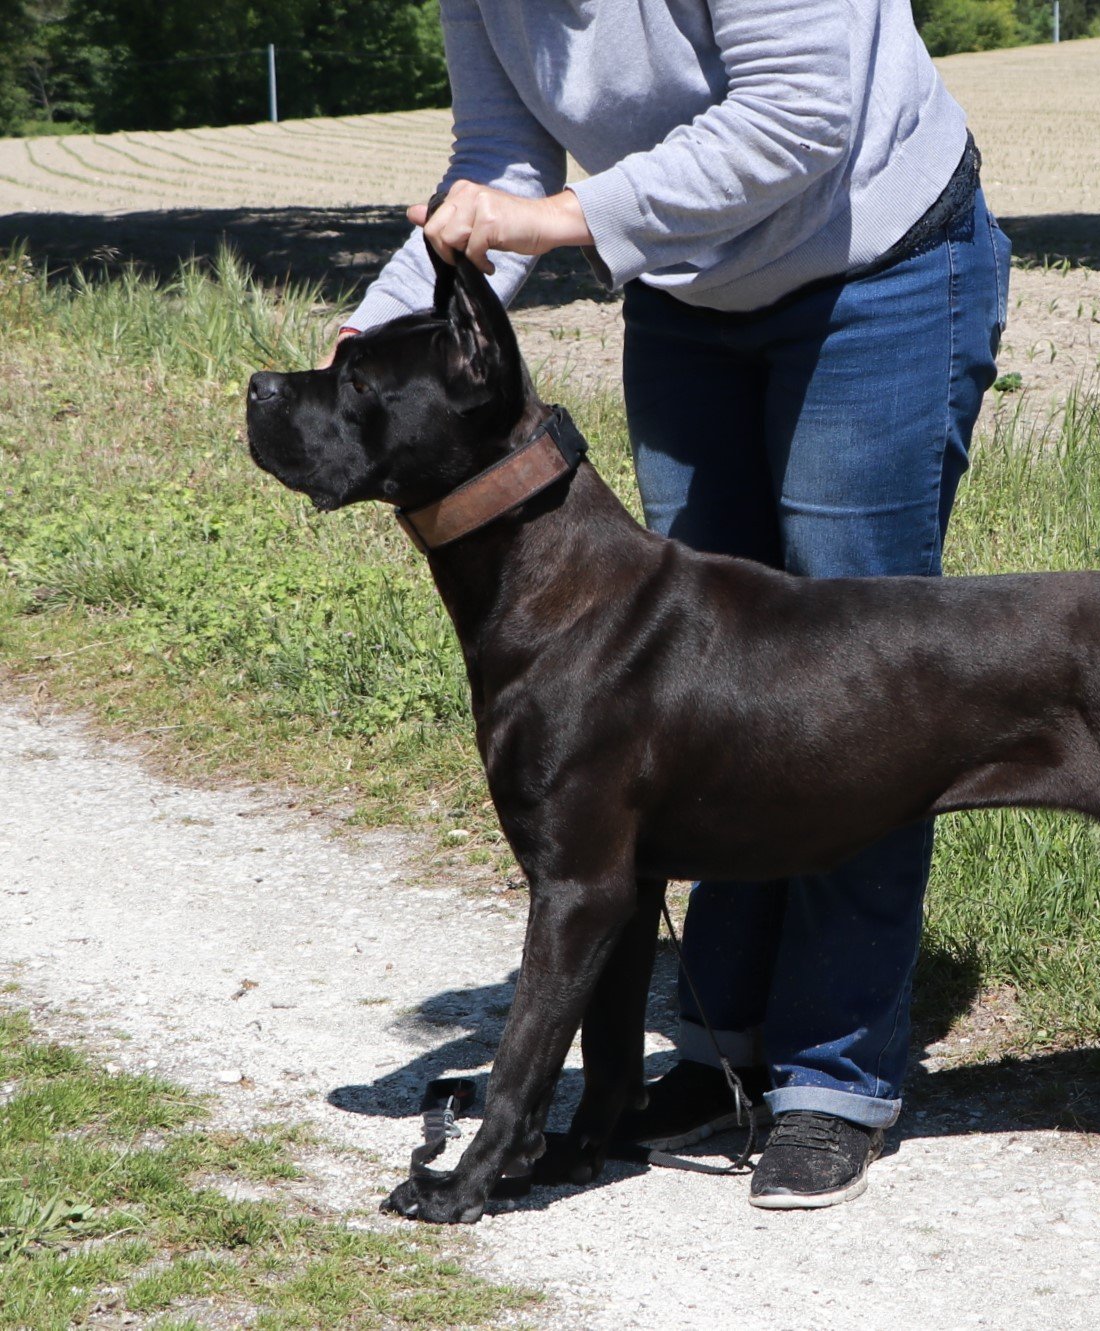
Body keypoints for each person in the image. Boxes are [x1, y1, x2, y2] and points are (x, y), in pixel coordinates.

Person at [338, 0, 1011, 1210]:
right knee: (707, 693)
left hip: (874, 264)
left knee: (860, 685)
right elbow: (500, 161)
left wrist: (559, 220)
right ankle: (723, 1045)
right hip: (694, 293)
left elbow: (801, 114)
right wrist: (377, 339)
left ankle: (834, 1077)